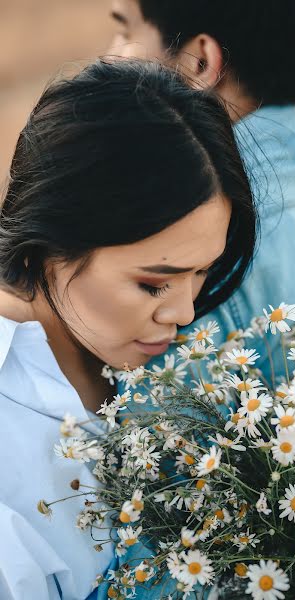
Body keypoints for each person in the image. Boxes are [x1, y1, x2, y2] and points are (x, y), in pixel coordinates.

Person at [108, 1, 295, 599]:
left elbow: (152, 538)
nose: (110, 57)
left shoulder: (185, 254)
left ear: (199, 61)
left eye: (123, 31)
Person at [0, 57, 257, 599]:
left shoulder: (171, 361)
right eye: (153, 284)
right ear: (52, 245)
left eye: (204, 269)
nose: (186, 313)